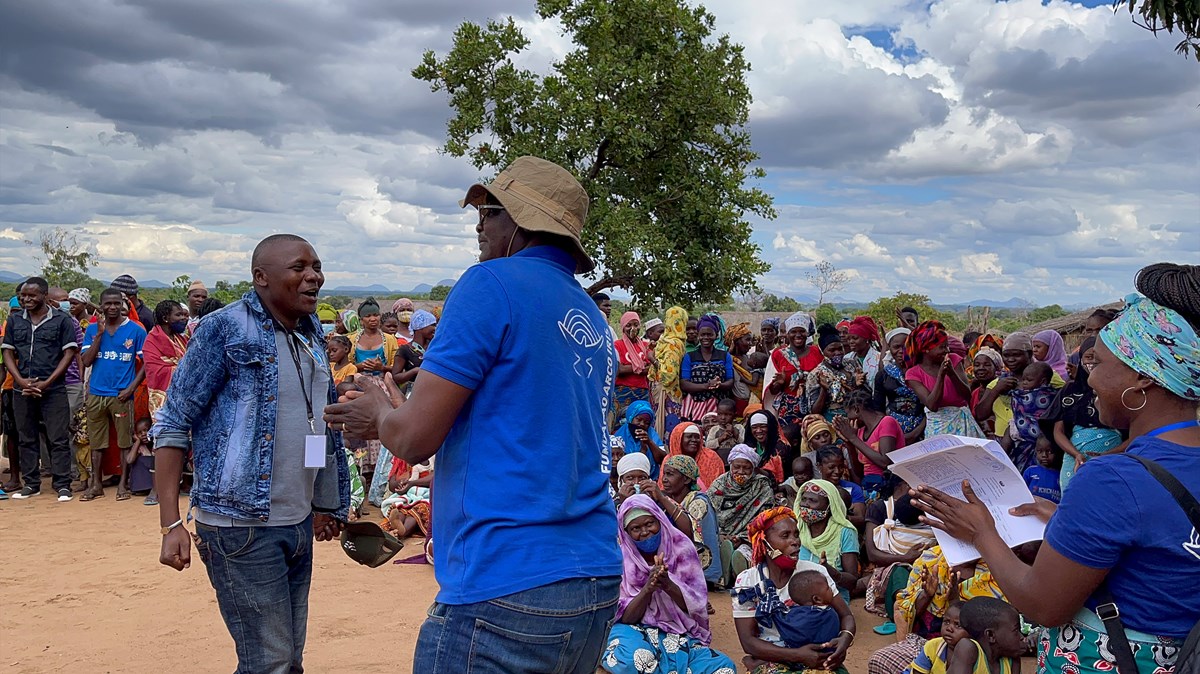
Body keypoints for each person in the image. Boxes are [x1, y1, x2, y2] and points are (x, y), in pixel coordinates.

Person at [324, 156, 623, 673]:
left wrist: (378, 410)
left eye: (487, 210)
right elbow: (513, 424)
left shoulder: (491, 284)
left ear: (519, 222)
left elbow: (415, 440)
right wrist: (396, 408)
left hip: (506, 582)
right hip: (593, 578)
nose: (479, 225)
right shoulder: (590, 317)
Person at [911, 262, 1200, 674]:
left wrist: (981, 532)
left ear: (1143, 378)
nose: (1086, 379)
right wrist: (1067, 518)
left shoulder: (1114, 477)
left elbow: (1043, 605)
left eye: (1096, 364)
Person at [153, 234, 351, 673]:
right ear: (261, 277)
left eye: (316, 266)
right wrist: (170, 522)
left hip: (297, 520)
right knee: (270, 661)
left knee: (288, 658)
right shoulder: (223, 328)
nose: (314, 276)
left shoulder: (312, 332)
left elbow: (315, 425)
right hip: (240, 526)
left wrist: (323, 502)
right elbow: (173, 422)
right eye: (299, 267)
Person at [602, 495, 737, 674]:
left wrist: (668, 584)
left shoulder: (682, 549)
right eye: (636, 528)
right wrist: (648, 588)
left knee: (723, 668)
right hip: (634, 630)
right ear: (626, 532)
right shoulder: (622, 561)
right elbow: (625, 617)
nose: (644, 532)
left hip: (679, 632)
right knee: (632, 660)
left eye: (650, 524)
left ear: (660, 520)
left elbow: (697, 607)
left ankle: (664, 666)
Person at [732, 507, 855, 674]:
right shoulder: (747, 581)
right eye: (785, 536)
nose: (795, 541)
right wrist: (797, 655)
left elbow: (846, 615)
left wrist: (844, 639)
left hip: (819, 658)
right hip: (773, 658)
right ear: (764, 543)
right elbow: (748, 642)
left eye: (796, 535)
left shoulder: (815, 573)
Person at [2, 277, 80, 501]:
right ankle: (31, 484)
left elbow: (69, 353)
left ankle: (62, 485)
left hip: (53, 389)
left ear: (44, 296)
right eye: (23, 295)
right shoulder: (15, 321)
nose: (26, 299)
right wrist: (20, 380)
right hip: (22, 389)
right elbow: (8, 352)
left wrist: (47, 382)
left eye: (32, 295)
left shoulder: (62, 321)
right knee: (26, 437)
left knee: (58, 438)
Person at [80, 287, 147, 502]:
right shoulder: (92, 330)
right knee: (97, 443)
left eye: (116, 303)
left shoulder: (136, 330)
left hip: (121, 395)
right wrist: (99, 333)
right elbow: (86, 360)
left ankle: (122, 484)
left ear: (123, 305)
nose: (112, 307)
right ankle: (96, 485)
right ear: (101, 306)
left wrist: (131, 388)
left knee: (124, 441)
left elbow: (146, 363)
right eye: (107, 304)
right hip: (96, 394)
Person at [1042, 337, 1124, 491]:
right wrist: (1076, 454)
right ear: (1080, 360)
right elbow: (1058, 431)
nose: (1093, 362)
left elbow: (1135, 434)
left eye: (1098, 357)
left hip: (1113, 459)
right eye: (1088, 357)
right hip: (1073, 458)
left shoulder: (1119, 391)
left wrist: (1108, 454)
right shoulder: (1069, 391)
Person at [862, 479, 936, 636]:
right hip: (900, 569)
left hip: (924, 574)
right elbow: (872, 554)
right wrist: (906, 558)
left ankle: (913, 612)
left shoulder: (894, 527)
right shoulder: (880, 508)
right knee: (899, 573)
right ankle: (902, 610)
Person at [973, 332, 1065, 443]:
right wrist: (997, 390)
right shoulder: (998, 382)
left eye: (1016, 355)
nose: (1011, 359)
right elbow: (980, 414)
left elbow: (1064, 405)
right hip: (1003, 443)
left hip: (1039, 443)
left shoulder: (1048, 377)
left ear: (1030, 354)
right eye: (1006, 355)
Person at [904, 321, 984, 438]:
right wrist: (941, 376)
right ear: (926, 349)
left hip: (962, 423)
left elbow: (967, 396)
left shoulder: (954, 360)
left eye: (947, 346)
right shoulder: (913, 374)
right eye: (942, 347)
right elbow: (932, 405)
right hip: (937, 427)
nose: (947, 350)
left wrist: (952, 374)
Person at [708, 444, 775, 579]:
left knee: (743, 554)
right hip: (722, 535)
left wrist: (744, 538)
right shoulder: (719, 484)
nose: (741, 472)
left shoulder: (762, 486)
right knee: (719, 549)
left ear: (753, 469)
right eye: (736, 467)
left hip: (748, 537)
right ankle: (723, 575)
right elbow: (710, 514)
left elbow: (764, 517)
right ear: (730, 466)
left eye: (746, 468)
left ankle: (742, 574)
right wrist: (722, 535)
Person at [659, 454, 723, 586]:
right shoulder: (671, 499)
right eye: (664, 474)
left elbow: (690, 531)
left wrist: (662, 499)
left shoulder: (699, 502)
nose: (664, 479)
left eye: (670, 474)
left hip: (700, 570)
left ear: (686, 479)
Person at [793, 479, 860, 605]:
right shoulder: (796, 527)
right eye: (804, 499)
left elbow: (852, 582)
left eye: (812, 500)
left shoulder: (845, 532)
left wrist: (829, 571)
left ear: (829, 506)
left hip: (832, 600)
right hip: (796, 596)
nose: (806, 505)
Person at [835, 388, 906, 495]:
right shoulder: (860, 432)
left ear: (856, 410)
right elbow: (859, 472)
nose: (848, 419)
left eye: (848, 414)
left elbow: (885, 462)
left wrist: (853, 438)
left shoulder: (886, 422)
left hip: (889, 487)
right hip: (869, 488)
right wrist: (849, 443)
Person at [766, 312, 823, 428]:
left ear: (807, 333)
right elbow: (771, 391)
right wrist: (779, 383)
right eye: (793, 332)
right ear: (787, 334)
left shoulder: (817, 352)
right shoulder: (778, 354)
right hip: (788, 409)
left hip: (815, 405)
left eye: (802, 331)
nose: (798, 335)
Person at [1000, 361, 1057, 472]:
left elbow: (1017, 396)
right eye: (1023, 379)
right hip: (1023, 443)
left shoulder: (1047, 394)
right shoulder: (1025, 392)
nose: (1024, 383)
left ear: (1043, 381)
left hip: (1041, 439)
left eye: (1029, 380)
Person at [875, 327, 926, 444]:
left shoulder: (923, 371)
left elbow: (932, 407)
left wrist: (915, 433)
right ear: (890, 349)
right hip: (894, 430)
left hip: (923, 428)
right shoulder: (883, 375)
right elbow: (878, 409)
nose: (901, 351)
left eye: (905, 346)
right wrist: (889, 432)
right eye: (896, 347)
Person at [946, 598, 1024, 674]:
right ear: (991, 635)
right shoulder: (967, 648)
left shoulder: (1012, 660)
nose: (1022, 637)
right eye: (1016, 630)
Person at [143, 300, 190, 424]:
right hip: (165, 399)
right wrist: (184, 368)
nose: (184, 318)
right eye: (178, 315)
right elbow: (155, 371)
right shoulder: (152, 341)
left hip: (185, 399)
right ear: (165, 318)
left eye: (185, 315)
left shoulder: (182, 339)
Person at [680, 315, 733, 421]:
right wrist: (706, 386)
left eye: (709, 334)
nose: (706, 337)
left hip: (719, 405)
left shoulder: (724, 355)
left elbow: (730, 381)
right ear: (698, 336)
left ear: (716, 335)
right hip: (695, 405)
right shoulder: (689, 356)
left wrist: (719, 385)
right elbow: (684, 383)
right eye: (702, 334)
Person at [807, 324, 864, 421]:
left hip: (857, 415)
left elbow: (864, 395)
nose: (837, 353)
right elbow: (814, 411)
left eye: (840, 348)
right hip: (832, 421)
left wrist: (858, 384)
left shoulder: (852, 363)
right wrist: (824, 390)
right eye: (832, 350)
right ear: (822, 352)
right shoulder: (816, 374)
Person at [901, 602, 969, 674]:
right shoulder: (933, 646)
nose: (949, 628)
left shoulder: (976, 655)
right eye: (946, 622)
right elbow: (917, 672)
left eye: (958, 625)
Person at [660, 422, 724, 491]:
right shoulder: (669, 460)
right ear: (679, 439)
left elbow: (719, 487)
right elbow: (663, 488)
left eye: (697, 437)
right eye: (689, 436)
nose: (694, 440)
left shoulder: (711, 457)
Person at [653, 306, 688, 426]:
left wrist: (652, 359)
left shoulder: (672, 345)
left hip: (667, 393)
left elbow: (668, 376)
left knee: (664, 428)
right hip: (672, 392)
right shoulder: (677, 342)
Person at [614, 311, 653, 420]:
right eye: (628, 325)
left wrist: (631, 367)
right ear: (623, 327)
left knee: (642, 421)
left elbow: (651, 369)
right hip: (622, 391)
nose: (633, 328)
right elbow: (619, 370)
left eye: (636, 324)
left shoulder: (646, 345)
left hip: (642, 391)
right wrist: (641, 366)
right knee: (621, 420)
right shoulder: (617, 345)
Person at [614, 400, 665, 479]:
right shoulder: (619, 436)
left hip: (650, 478)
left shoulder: (651, 435)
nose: (642, 424)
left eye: (646, 422)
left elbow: (662, 459)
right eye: (638, 419)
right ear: (630, 417)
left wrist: (649, 442)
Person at [391, 308, 437, 390]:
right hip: (414, 393)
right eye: (432, 325)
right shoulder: (405, 350)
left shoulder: (435, 347)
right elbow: (396, 377)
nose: (435, 328)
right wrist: (415, 371)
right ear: (421, 327)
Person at [967, 347, 1001, 437]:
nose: (981, 368)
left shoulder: (1002, 390)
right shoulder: (974, 393)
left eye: (987, 365)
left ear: (996, 368)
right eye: (977, 365)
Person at [747, 409, 786, 483]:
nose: (758, 431)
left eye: (763, 426)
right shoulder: (751, 444)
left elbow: (774, 475)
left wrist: (754, 468)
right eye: (754, 427)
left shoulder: (781, 447)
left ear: (770, 427)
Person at [846, 316, 881, 394]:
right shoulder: (847, 359)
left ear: (866, 339)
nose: (851, 342)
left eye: (855, 338)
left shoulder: (879, 359)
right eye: (849, 339)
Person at [1021, 436, 1061, 504]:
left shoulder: (1061, 475)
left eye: (1049, 451)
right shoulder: (1030, 471)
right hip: (1031, 509)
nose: (1044, 455)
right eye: (1040, 451)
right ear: (1036, 451)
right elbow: (1022, 492)